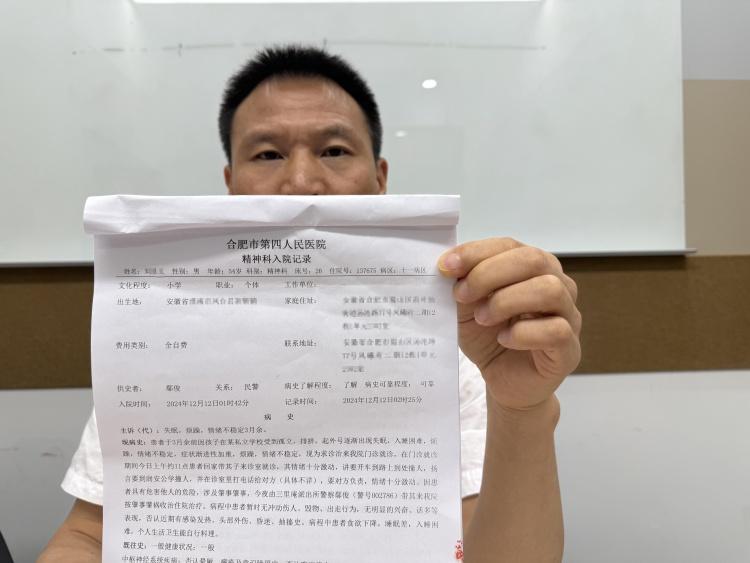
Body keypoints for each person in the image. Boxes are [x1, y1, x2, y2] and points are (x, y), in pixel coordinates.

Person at [39, 45, 581, 563]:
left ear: (380, 179)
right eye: (267, 154)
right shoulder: (159, 338)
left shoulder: (466, 345)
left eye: (334, 151)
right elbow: (88, 534)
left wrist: (522, 410)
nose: (300, 182)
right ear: (231, 184)